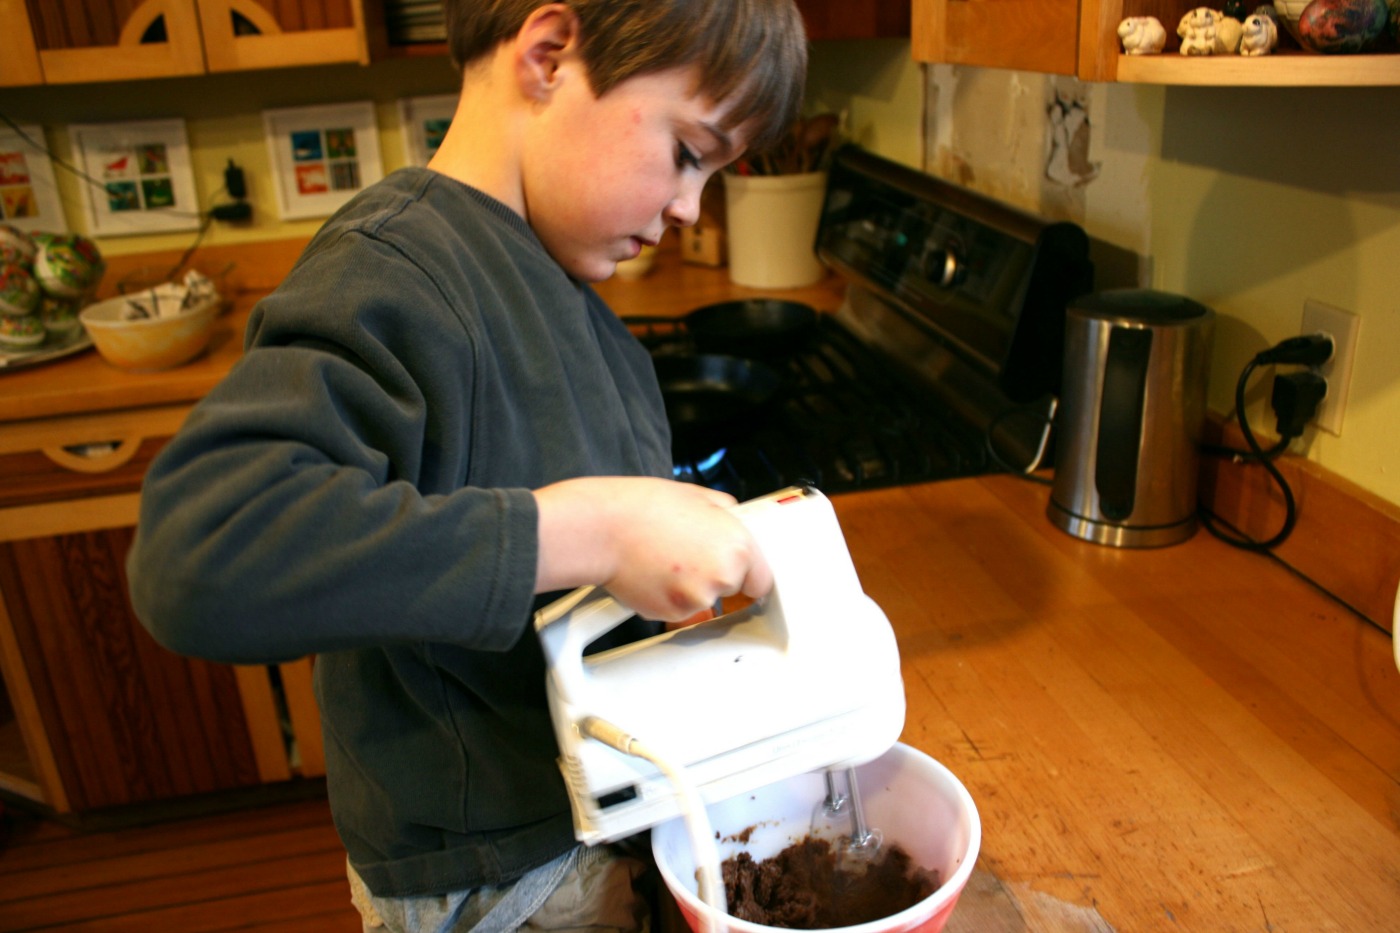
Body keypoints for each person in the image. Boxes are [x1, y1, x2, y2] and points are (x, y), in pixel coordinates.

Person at [126, 0, 807, 930]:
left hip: (593, 825)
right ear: (550, 56)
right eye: (690, 153)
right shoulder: (397, 271)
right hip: (495, 882)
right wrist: (592, 530)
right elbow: (200, 551)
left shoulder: (563, 286)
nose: (691, 206)